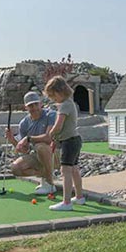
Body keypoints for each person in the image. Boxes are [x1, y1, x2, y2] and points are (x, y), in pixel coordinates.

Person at [5, 91, 57, 195]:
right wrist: (13, 140)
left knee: (40, 146)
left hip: (55, 154)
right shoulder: (24, 123)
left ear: (41, 104)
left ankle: (50, 184)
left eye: (36, 104)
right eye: (30, 105)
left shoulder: (51, 114)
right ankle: (47, 174)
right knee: (15, 168)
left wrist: (28, 138)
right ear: (26, 108)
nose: (34, 108)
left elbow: (48, 138)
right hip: (37, 156)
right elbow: (25, 150)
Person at [44, 76, 84, 211]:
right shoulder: (69, 103)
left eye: (53, 96)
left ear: (60, 91)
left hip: (69, 142)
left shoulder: (65, 105)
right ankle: (79, 197)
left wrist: (50, 134)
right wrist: (56, 141)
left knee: (65, 170)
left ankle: (66, 202)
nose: (53, 99)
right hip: (75, 140)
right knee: (74, 169)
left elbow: (59, 125)